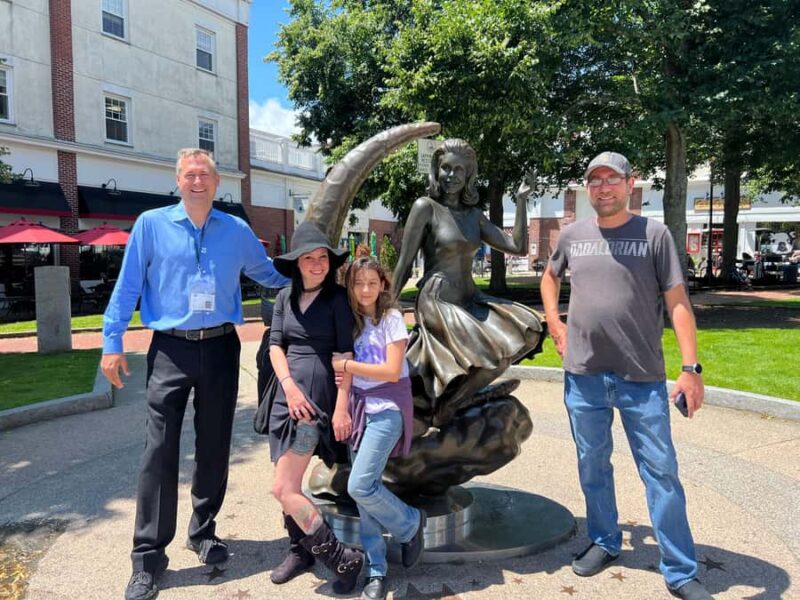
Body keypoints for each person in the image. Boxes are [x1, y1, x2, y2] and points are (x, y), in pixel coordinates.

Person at [101, 148, 290, 600]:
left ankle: (203, 531)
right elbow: (128, 285)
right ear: (178, 179)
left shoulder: (237, 229)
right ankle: (148, 556)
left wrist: (318, 281)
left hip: (222, 346)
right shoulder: (151, 224)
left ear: (217, 182)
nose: (198, 181)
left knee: (214, 444)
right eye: (190, 174)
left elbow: (268, 275)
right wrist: (112, 342)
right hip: (169, 348)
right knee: (159, 450)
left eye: (205, 174)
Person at [540, 152, 712, 600]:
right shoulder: (573, 235)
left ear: (630, 183)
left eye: (611, 179)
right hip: (584, 376)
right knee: (592, 465)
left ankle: (679, 569)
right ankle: (604, 540)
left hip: (642, 378)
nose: (603, 188)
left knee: (660, 472)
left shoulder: (654, 235)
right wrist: (554, 323)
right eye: (594, 181)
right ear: (587, 189)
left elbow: (677, 302)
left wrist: (690, 369)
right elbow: (549, 277)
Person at [392, 138, 544, 427]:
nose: (451, 176)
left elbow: (517, 246)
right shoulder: (425, 207)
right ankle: (453, 403)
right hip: (437, 299)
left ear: (469, 175)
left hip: (471, 297)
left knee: (526, 330)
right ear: (436, 170)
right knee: (485, 350)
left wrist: (522, 201)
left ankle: (454, 402)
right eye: (445, 168)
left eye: (458, 170)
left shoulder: (474, 216)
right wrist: (383, 309)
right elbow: (404, 263)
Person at [267, 221, 364, 594]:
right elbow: (275, 344)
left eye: (322, 257)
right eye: (309, 258)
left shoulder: (337, 299)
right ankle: (299, 550)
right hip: (284, 397)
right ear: (297, 263)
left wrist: (341, 409)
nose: (317, 264)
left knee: (283, 488)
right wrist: (288, 387)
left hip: (314, 403)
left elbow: (344, 355)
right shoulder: (283, 298)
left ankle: (342, 558)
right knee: (286, 482)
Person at [331, 257, 426, 600]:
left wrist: (348, 364)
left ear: (383, 284)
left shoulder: (392, 319)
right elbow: (343, 374)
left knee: (359, 485)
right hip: (359, 409)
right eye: (358, 284)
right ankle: (376, 569)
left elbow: (390, 370)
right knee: (364, 493)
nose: (365, 289)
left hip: (387, 408)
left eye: (372, 282)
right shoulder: (351, 322)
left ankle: (411, 523)